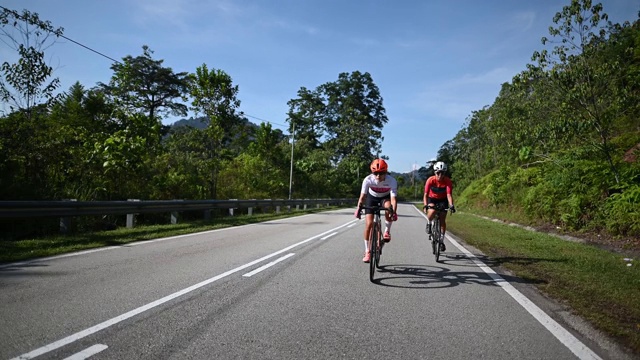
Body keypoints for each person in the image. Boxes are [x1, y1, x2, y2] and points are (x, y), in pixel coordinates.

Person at [355, 158, 398, 263]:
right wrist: (358, 208)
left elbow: (393, 199)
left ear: (386, 172)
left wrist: (394, 212)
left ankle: (387, 231)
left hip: (385, 198)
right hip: (372, 198)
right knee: (369, 224)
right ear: (372, 172)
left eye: (381, 173)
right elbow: (362, 197)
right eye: (376, 173)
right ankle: (367, 251)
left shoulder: (391, 181)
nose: (378, 176)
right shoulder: (368, 180)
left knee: (389, 207)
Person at [423, 161, 456, 251]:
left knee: (442, 220)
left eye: (442, 173)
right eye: (438, 173)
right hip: (432, 199)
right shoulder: (430, 180)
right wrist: (426, 205)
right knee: (432, 211)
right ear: (435, 172)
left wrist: (451, 205)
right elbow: (425, 194)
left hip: (443, 200)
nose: (440, 175)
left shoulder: (447, 181)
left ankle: (441, 241)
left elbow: (449, 195)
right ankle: (429, 223)